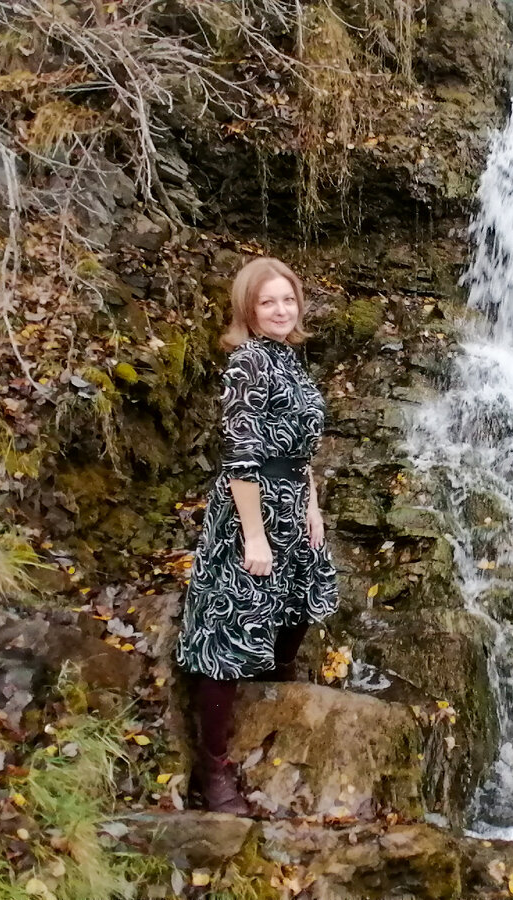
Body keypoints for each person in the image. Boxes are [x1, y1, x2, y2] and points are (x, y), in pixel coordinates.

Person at [174, 256, 339, 814]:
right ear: (248, 308)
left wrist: (312, 507)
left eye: (287, 299)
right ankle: (212, 770)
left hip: (294, 500)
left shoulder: (290, 360)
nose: (280, 310)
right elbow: (241, 458)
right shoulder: (248, 362)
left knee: (296, 608)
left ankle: (274, 698)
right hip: (252, 505)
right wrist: (253, 537)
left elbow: (302, 448)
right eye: (268, 301)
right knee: (230, 632)